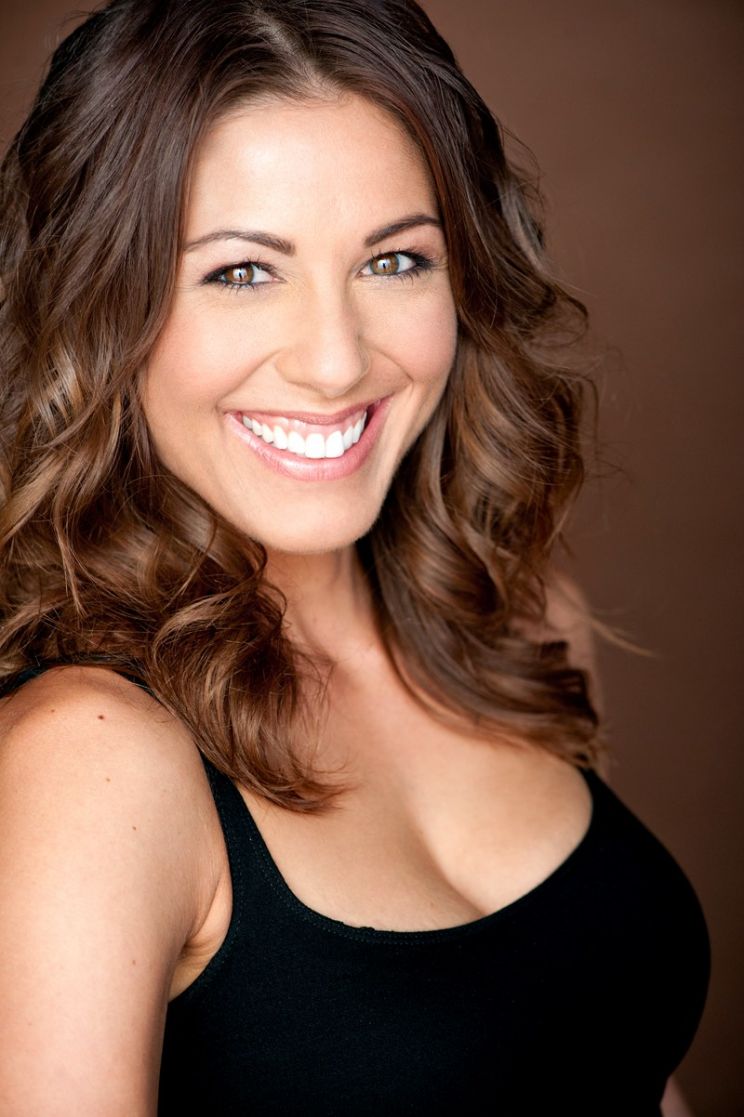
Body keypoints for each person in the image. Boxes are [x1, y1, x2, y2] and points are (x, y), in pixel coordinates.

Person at [0, 0, 709, 1113]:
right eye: (242, 272)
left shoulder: (518, 621)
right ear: (98, 306)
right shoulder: (85, 760)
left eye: (394, 259)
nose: (336, 362)